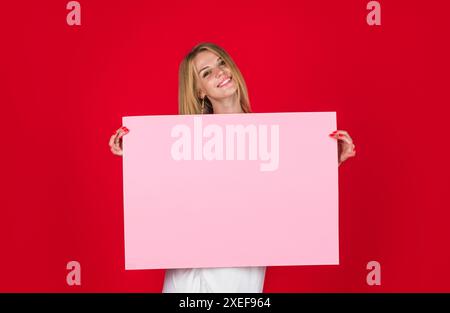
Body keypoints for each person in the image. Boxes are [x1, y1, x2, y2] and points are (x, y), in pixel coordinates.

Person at [108, 42, 356, 293]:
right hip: (187, 277)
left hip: (239, 274)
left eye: (222, 63)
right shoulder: (185, 144)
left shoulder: (271, 140)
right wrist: (138, 156)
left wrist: (324, 161)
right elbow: (164, 194)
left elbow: (289, 197)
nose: (219, 72)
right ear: (199, 91)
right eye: (206, 73)